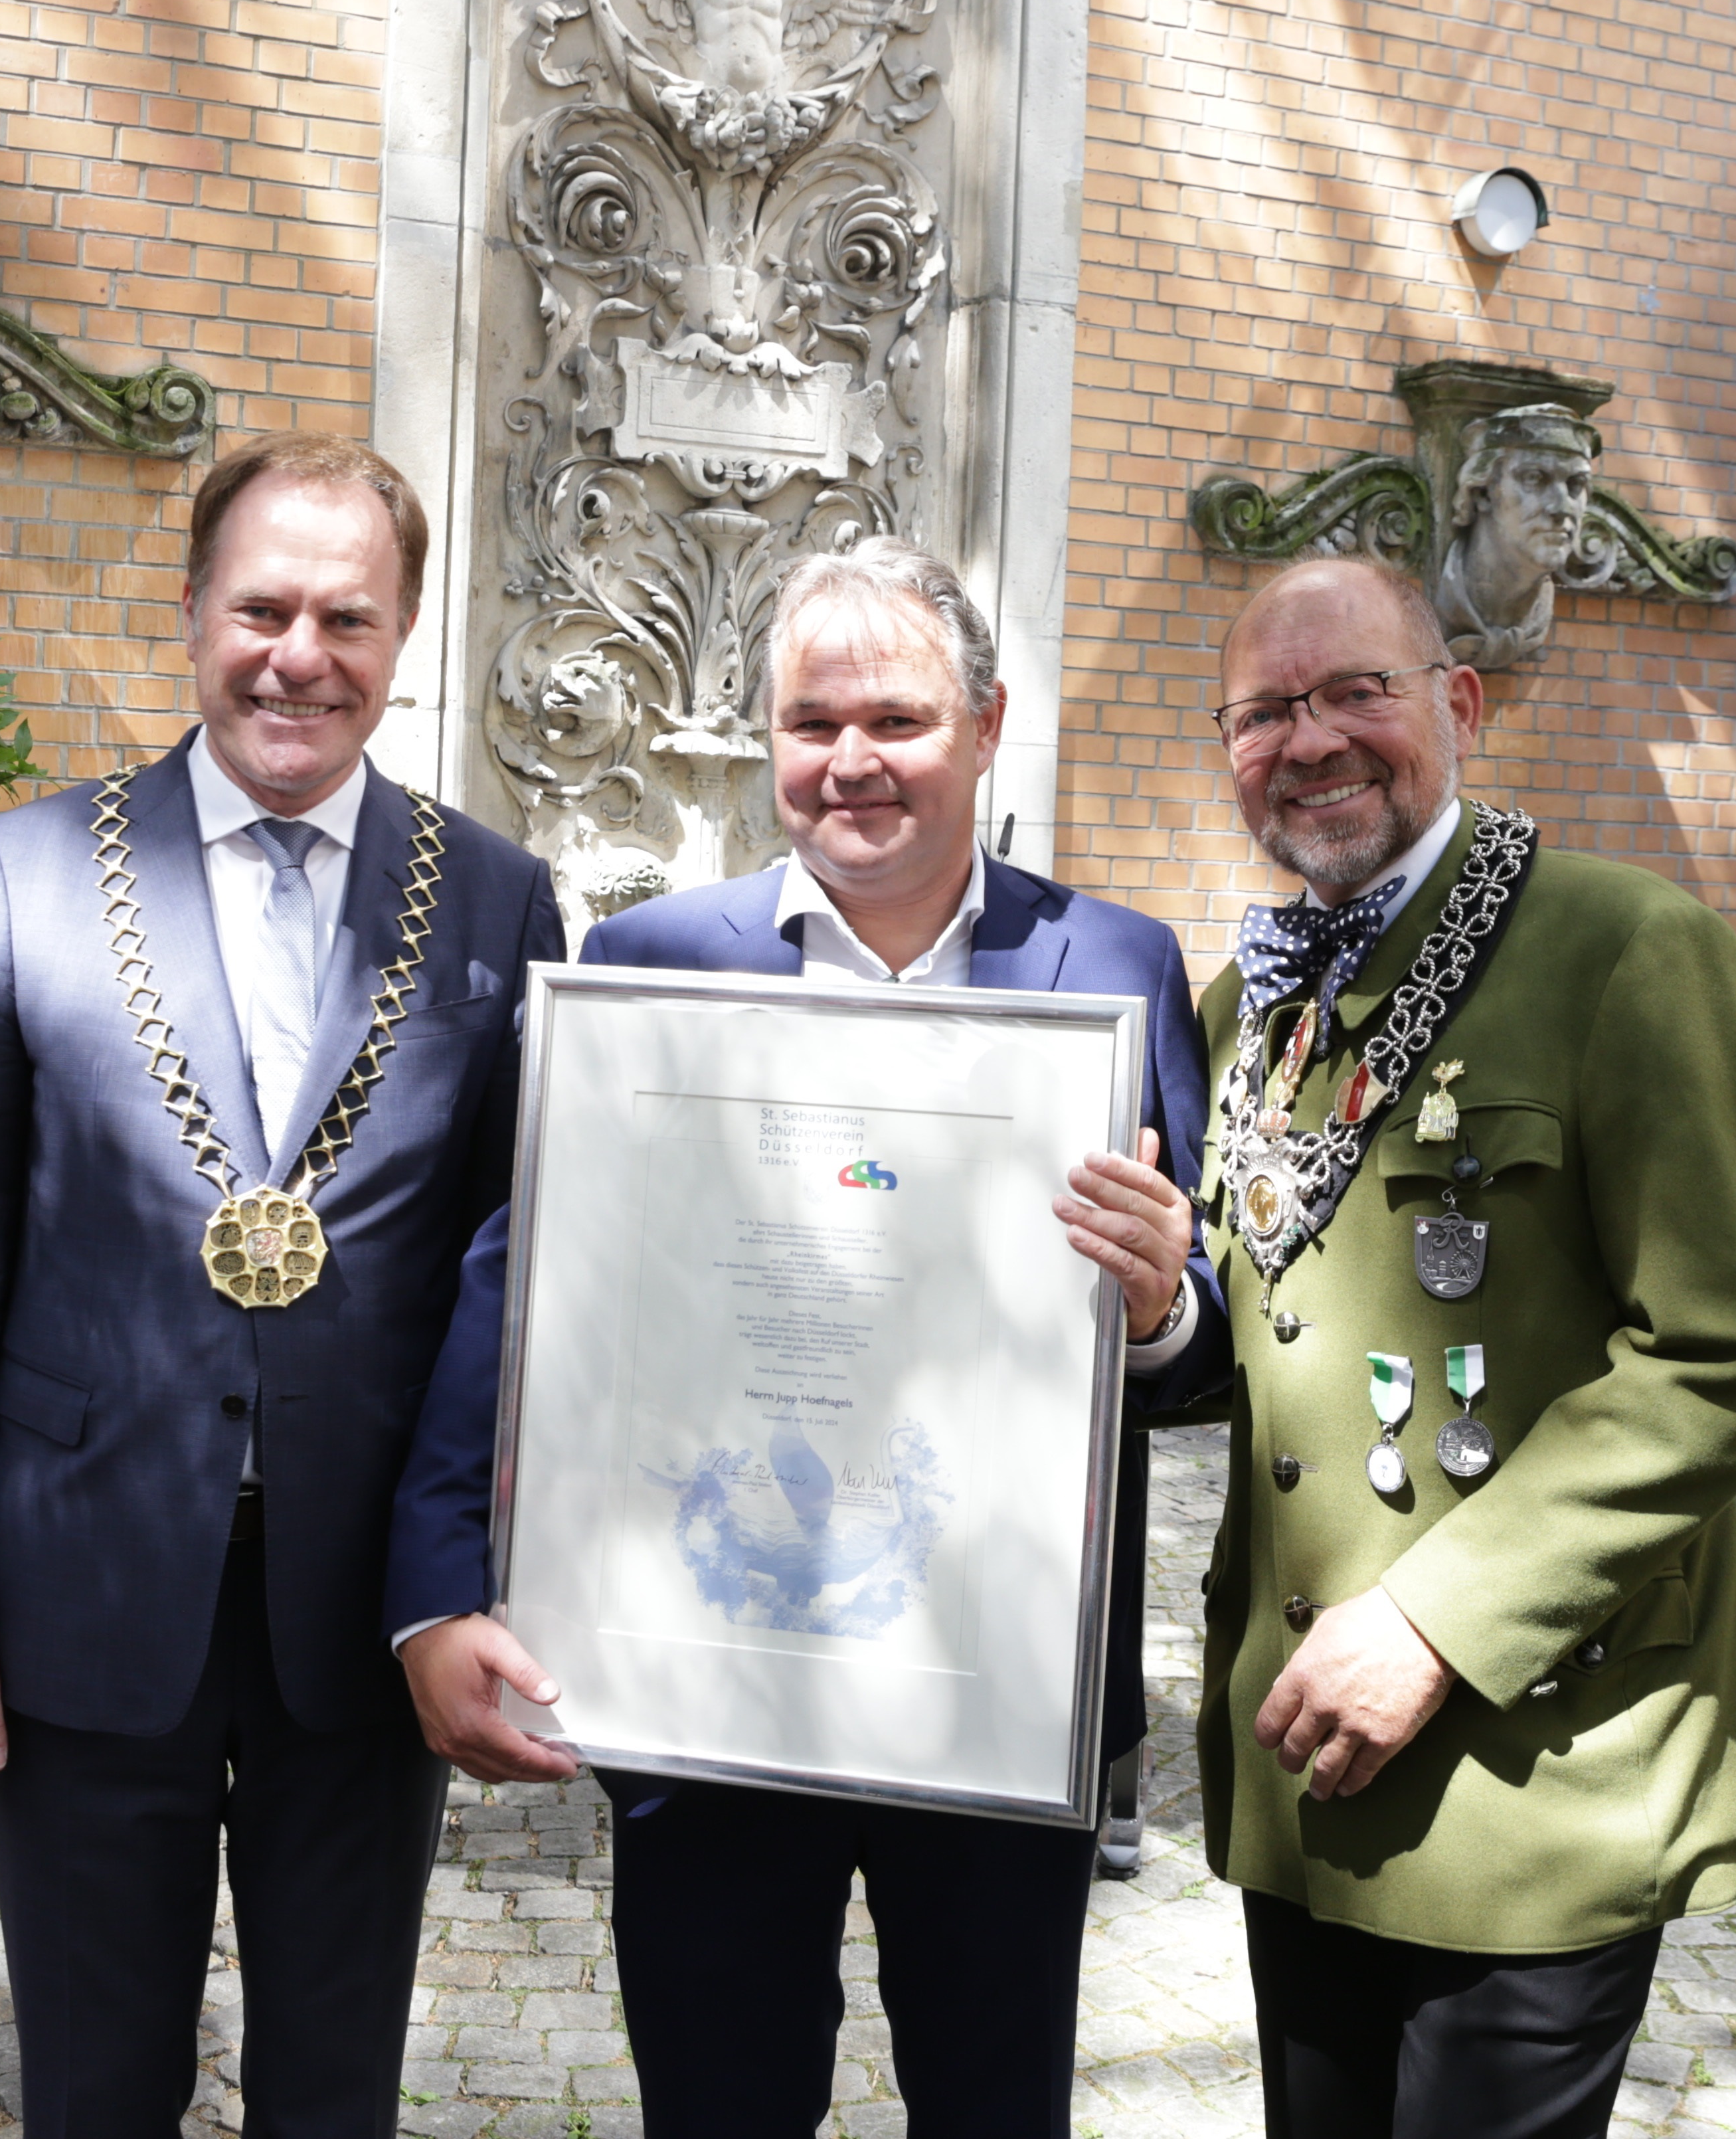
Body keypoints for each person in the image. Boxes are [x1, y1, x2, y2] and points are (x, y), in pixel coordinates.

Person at [385, 537, 1227, 2136]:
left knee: (994, 2110)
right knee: (718, 2106)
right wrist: (435, 1595)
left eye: (897, 722)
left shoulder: (1116, 969)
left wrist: (1164, 1303)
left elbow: (1201, 1356)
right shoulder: (646, 969)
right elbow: (517, 1290)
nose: (852, 765)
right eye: (810, 724)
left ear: (985, 725)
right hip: (708, 1687)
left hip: (995, 1690)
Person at [0, 432, 564, 2136]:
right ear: (192, 614)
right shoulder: (25, 877)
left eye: (349, 617)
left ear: (402, 643)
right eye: (263, 607)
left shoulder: (497, 896)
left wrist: (475, 1584)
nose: (299, 656)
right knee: (95, 2090)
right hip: (81, 1592)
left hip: (361, 1614)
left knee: (335, 2090)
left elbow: (517, 1289)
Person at [1193, 554, 1736, 2139]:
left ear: (1458, 704)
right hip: (1303, 1749)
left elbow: (1727, 1353)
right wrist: (1146, 1324)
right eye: (1266, 710)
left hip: (1538, 1754)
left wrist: (1439, 1623)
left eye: (1356, 692)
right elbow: (1244, 1328)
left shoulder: (1626, 950)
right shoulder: (1243, 1008)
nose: (1310, 739)